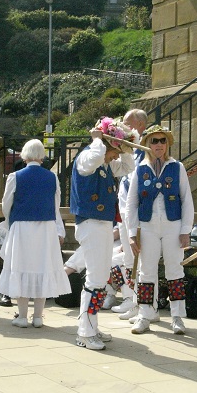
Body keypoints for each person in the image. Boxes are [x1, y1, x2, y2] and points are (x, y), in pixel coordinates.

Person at [70, 117, 136, 350]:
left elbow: (129, 167)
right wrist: (99, 140)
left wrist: (126, 146)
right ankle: (85, 333)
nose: (116, 156)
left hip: (103, 223)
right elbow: (94, 159)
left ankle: (91, 326)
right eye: (115, 151)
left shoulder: (106, 163)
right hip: (90, 222)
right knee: (96, 279)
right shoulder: (89, 156)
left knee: (98, 278)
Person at [126, 125, 195, 335]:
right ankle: (145, 315)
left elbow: (187, 199)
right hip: (147, 226)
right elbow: (131, 202)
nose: (158, 145)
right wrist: (131, 233)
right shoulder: (140, 169)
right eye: (154, 141)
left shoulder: (177, 167)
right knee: (147, 271)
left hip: (172, 225)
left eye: (162, 141)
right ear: (147, 144)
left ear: (168, 144)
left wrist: (186, 229)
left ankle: (177, 317)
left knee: (175, 269)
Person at [0, 139, 70, 329]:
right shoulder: (51, 177)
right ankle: (38, 317)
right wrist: (59, 231)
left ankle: (22, 316)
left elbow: (6, 204)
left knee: (21, 269)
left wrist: (9, 222)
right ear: (42, 156)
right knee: (42, 269)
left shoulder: (15, 176)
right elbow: (56, 207)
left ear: (24, 155)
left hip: (22, 229)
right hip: (46, 229)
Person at [110, 108, 148, 318]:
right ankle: (128, 297)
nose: (124, 126)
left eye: (127, 123)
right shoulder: (127, 148)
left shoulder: (145, 147)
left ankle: (138, 302)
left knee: (138, 260)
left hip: (136, 213)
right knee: (127, 258)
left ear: (140, 125)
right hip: (124, 209)